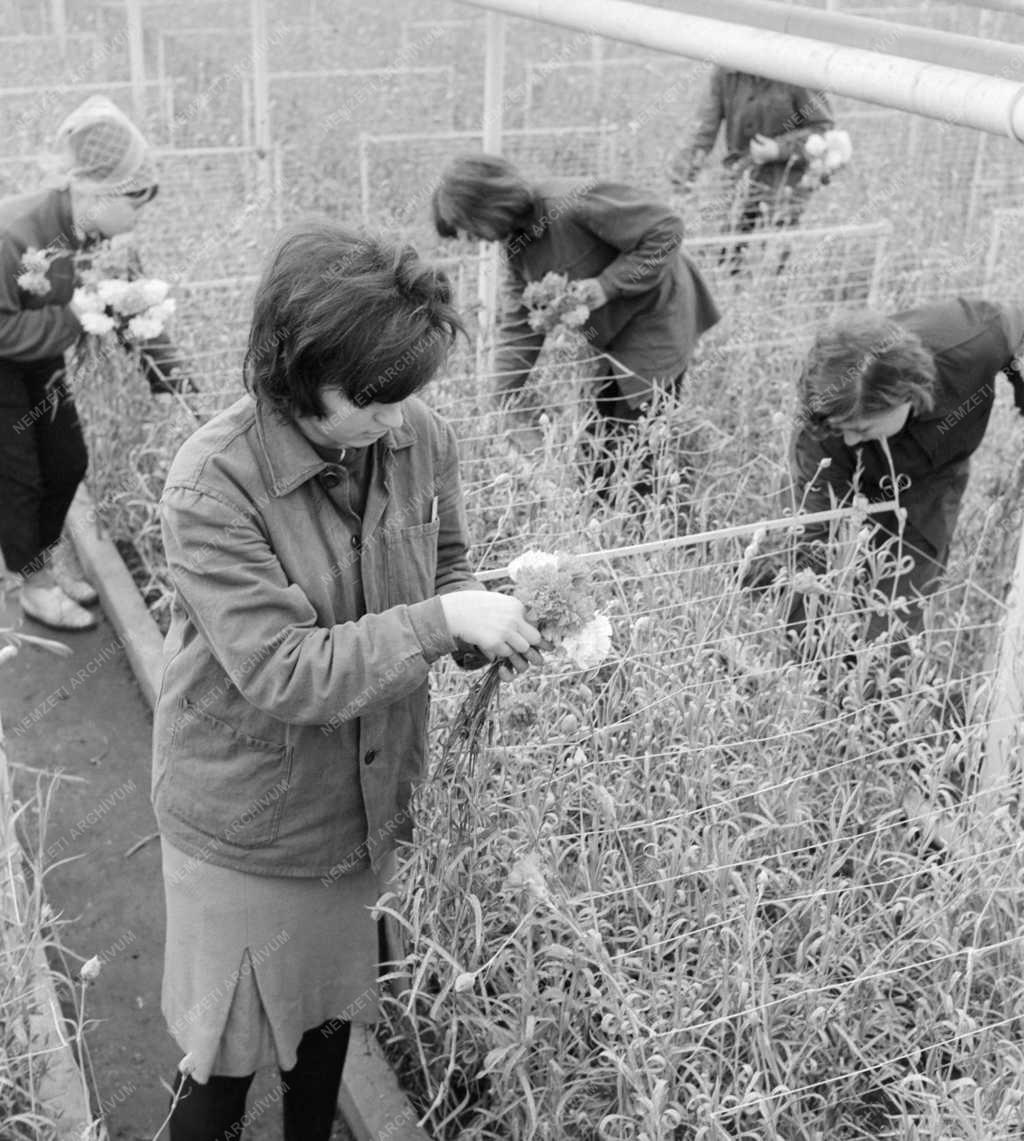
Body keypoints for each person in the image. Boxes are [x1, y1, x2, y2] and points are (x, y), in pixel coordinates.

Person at [151, 222, 545, 1141]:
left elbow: (448, 561)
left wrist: (488, 618)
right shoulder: (214, 486)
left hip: (364, 800)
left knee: (329, 1023)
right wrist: (440, 623)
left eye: (409, 392)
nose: (397, 417)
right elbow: (284, 671)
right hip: (249, 818)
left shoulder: (416, 436)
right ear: (295, 371)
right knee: (224, 1057)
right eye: (372, 397)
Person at [0, 95, 187, 632]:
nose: (137, 218)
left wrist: (173, 382)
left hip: (37, 354)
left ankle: (40, 564)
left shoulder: (103, 238)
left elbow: (133, 305)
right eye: (134, 204)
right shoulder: (15, 234)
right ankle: (32, 584)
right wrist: (77, 314)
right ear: (96, 192)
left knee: (66, 461)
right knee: (18, 477)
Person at [431, 153, 720, 494]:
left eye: (467, 228)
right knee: (594, 438)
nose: (471, 240)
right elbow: (520, 322)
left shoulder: (570, 203)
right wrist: (498, 399)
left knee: (637, 435)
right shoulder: (515, 246)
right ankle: (603, 516)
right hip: (609, 334)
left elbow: (666, 229)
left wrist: (607, 285)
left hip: (657, 319)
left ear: (486, 204)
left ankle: (658, 519)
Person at [770, 298, 1024, 653]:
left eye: (861, 428)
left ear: (905, 394)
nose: (850, 438)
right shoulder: (825, 431)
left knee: (895, 619)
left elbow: (1019, 328)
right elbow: (814, 539)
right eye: (844, 428)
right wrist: (807, 635)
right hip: (842, 474)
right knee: (811, 590)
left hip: (932, 478)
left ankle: (881, 690)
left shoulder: (971, 342)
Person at [669, 68, 835, 243]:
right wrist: (681, 184)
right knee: (730, 249)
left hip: (785, 186)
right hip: (739, 180)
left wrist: (779, 149)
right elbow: (703, 131)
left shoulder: (795, 70)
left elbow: (823, 129)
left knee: (776, 249)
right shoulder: (727, 72)